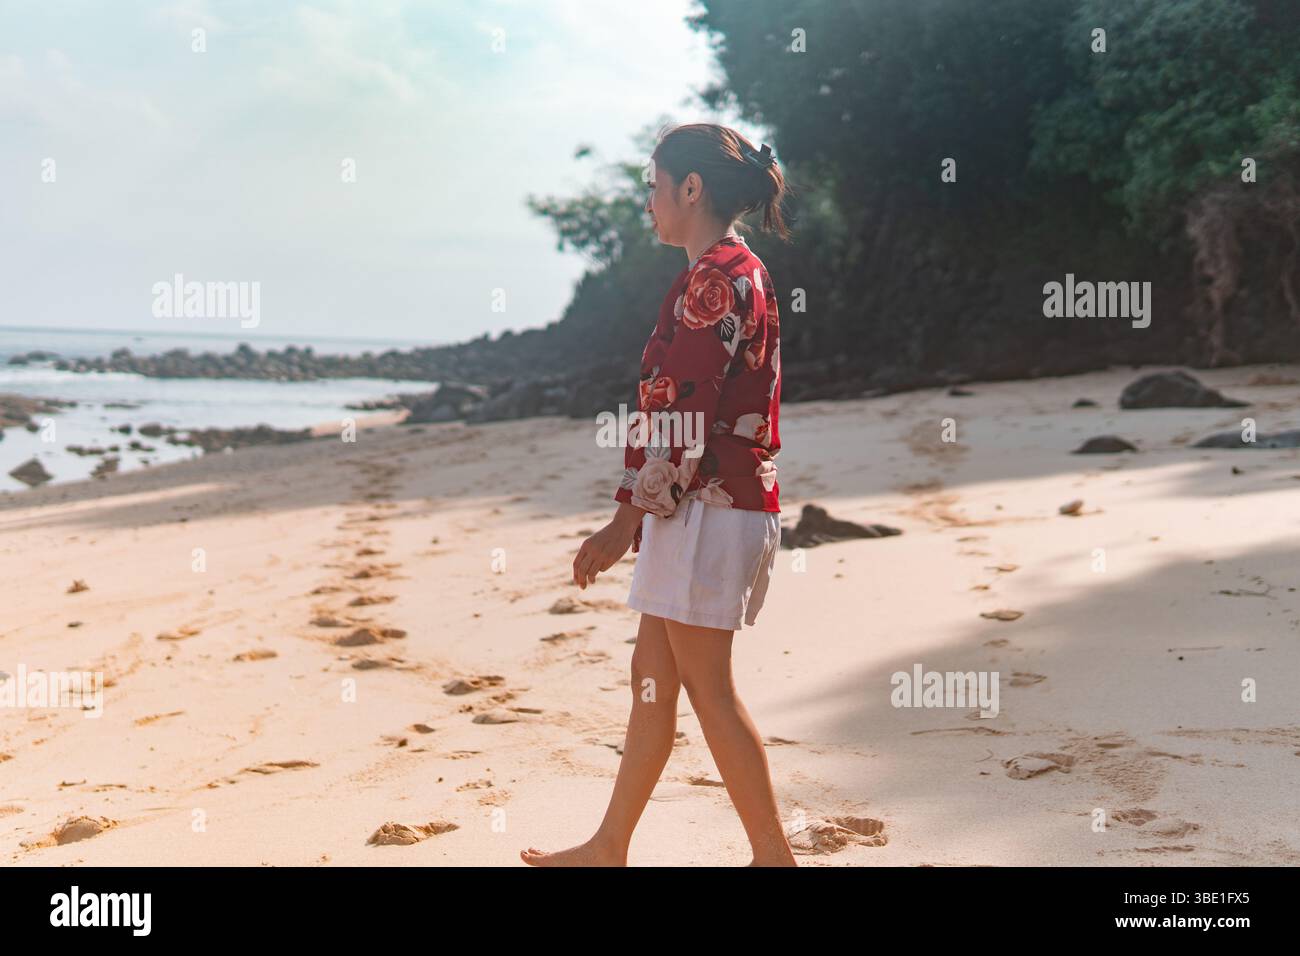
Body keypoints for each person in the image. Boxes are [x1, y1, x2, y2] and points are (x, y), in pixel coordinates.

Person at [522, 122, 794, 867]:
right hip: (704, 509)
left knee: (708, 689)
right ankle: (610, 846)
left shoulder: (716, 279)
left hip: (710, 510)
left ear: (692, 188)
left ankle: (775, 859)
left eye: (653, 184)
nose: (648, 199)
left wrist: (620, 524)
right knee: (652, 682)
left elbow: (683, 419)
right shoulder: (736, 268)